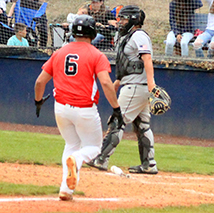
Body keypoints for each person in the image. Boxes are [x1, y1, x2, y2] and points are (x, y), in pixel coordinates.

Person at [34, 15, 123, 201]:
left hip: (61, 108)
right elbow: (106, 83)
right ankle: (78, 161)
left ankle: (66, 190)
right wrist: (116, 108)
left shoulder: (59, 52)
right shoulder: (96, 54)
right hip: (84, 109)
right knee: (94, 147)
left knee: (71, 144)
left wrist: (38, 101)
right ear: (93, 32)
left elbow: (40, 81)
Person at [87, 5, 159, 175]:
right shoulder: (126, 36)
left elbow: (147, 59)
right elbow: (128, 63)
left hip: (136, 87)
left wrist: (151, 85)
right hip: (133, 85)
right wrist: (118, 81)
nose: (120, 22)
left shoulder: (139, 35)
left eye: (124, 19)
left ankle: (101, 158)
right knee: (142, 125)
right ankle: (149, 164)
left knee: (117, 121)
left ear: (134, 20)